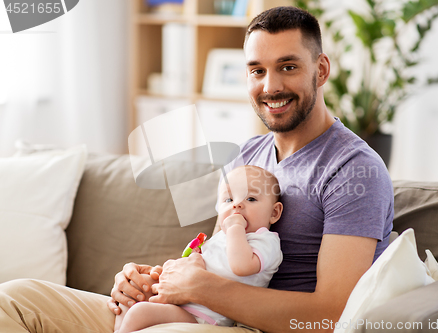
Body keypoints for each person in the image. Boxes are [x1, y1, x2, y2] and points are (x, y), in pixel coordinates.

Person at [0, 6, 393, 333]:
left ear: (320, 70)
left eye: (287, 67)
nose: (270, 86)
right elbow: (216, 259)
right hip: (199, 316)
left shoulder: (354, 170)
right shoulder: (247, 156)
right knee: (15, 299)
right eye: (257, 70)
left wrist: (202, 289)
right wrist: (150, 283)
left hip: (256, 327)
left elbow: (332, 314)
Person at [115, 165, 283, 332]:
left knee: (141, 312)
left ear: (274, 213)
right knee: (135, 288)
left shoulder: (265, 240)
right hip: (182, 299)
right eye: (229, 200)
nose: (236, 205)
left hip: (205, 316)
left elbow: (241, 266)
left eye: (251, 199)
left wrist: (234, 229)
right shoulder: (221, 237)